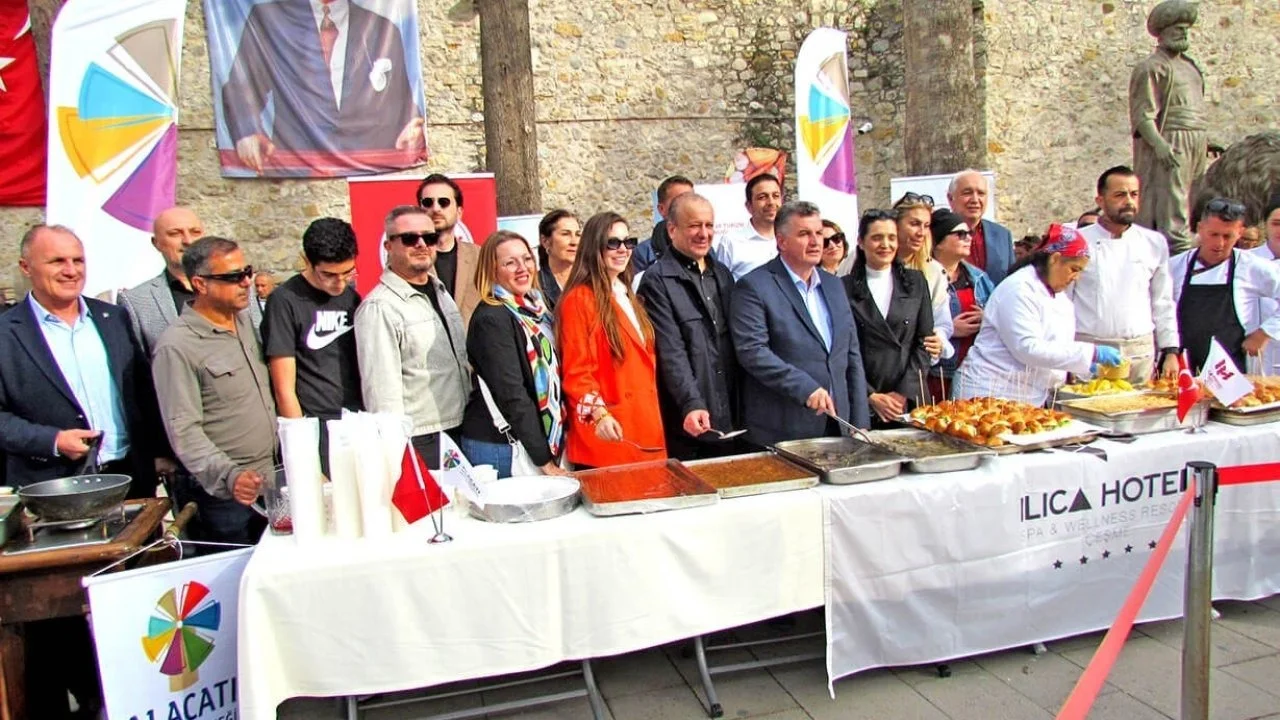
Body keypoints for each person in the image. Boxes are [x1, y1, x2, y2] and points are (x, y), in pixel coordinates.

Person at [0, 225, 164, 495]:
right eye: (57, 261)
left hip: (130, 476)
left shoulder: (114, 318)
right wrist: (53, 440)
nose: (71, 270)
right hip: (53, 485)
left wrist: (159, 451)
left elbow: (142, 391)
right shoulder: (7, 333)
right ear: (26, 267)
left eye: (78, 260)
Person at [152, 237, 275, 545]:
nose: (246, 282)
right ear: (200, 284)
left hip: (271, 480)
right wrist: (229, 476)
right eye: (233, 276)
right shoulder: (177, 346)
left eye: (247, 271)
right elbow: (184, 431)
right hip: (224, 498)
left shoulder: (244, 322)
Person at [220, 0, 426, 175]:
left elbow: (401, 101)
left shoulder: (383, 29)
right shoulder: (268, 19)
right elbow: (241, 87)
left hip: (367, 170)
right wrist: (247, 131)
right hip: (295, 173)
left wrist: (410, 127)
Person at [731, 201, 871, 445]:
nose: (816, 242)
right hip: (784, 428)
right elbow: (752, 352)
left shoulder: (834, 285)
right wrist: (805, 387)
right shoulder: (754, 286)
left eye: (818, 233)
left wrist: (860, 420)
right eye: (804, 234)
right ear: (782, 241)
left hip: (839, 424)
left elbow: (851, 354)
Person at [955, 224, 1119, 405]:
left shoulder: (1059, 296)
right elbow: (1027, 348)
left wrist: (1081, 366)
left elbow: (1057, 345)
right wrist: (1091, 353)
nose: (1076, 277)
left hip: (1027, 393)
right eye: (1074, 269)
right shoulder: (1019, 289)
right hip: (991, 390)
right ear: (1055, 259)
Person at [356, 205, 469, 467]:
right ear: (388, 246)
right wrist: (399, 455)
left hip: (460, 428)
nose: (421, 244)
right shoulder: (379, 307)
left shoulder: (440, 291)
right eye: (409, 238)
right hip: (420, 439)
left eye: (429, 237)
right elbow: (382, 395)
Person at [557, 212, 665, 468]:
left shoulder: (626, 293)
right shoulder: (579, 299)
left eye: (629, 242)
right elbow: (577, 372)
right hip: (609, 432)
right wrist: (599, 414)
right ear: (594, 247)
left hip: (645, 425)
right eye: (613, 243)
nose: (623, 249)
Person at [637, 194, 740, 460]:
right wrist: (691, 402)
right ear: (672, 229)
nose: (703, 234)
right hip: (690, 422)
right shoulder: (657, 280)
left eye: (709, 225)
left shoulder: (722, 275)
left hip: (731, 413)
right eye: (694, 226)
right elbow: (671, 351)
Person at [459, 232, 568, 477]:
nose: (522, 268)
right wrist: (544, 460)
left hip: (529, 440)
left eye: (526, 259)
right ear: (492, 270)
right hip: (502, 447)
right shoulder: (492, 318)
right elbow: (512, 393)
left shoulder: (536, 310)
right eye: (510, 263)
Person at [261, 218, 363, 472]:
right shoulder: (284, 301)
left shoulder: (352, 297)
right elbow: (283, 388)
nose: (339, 282)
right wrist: (303, 453)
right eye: (328, 274)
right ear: (306, 261)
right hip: (316, 425)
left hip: (355, 420)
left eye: (347, 272)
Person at [1071, 166, 1181, 382]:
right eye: (1120, 195)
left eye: (1134, 194)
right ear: (1101, 200)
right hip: (1091, 351)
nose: (1129, 201)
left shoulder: (1153, 242)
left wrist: (1170, 350)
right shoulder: (1078, 241)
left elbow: (1163, 301)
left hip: (1139, 352)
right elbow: (1062, 301)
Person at [119, 207, 264, 358]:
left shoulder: (241, 285)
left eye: (195, 232)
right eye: (175, 233)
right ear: (156, 243)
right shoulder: (136, 301)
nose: (188, 241)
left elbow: (260, 341)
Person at [1130, 0, 1209, 254]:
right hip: (1172, 138)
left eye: (1186, 29)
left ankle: (1188, 241)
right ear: (1163, 33)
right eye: (1177, 29)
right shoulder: (1151, 67)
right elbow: (1143, 114)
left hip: (1196, 138)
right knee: (1172, 199)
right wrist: (1159, 144)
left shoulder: (1190, 67)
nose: (1183, 33)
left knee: (1192, 194)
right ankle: (1176, 248)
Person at [843, 210, 934, 425]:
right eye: (877, 238)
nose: (885, 245)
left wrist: (903, 393)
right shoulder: (843, 288)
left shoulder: (916, 282)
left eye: (891, 237)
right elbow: (842, 349)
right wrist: (870, 395)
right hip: (865, 399)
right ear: (861, 242)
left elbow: (925, 342)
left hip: (909, 399)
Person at [1169, 198, 1280, 374]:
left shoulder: (1251, 266)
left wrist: (1264, 333)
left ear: (1240, 233)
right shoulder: (1174, 267)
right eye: (1213, 234)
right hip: (1182, 367)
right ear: (1200, 228)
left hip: (1231, 371)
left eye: (1228, 236)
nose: (1219, 243)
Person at [929, 209, 995, 402]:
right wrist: (949, 330)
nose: (968, 238)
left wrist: (986, 317)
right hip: (936, 372)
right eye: (960, 234)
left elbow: (1000, 315)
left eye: (969, 233)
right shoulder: (924, 277)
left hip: (974, 372)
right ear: (938, 242)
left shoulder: (979, 278)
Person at [892, 193, 951, 363]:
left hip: (914, 364)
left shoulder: (934, 271)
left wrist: (938, 339)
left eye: (926, 226)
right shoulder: (862, 261)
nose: (921, 233)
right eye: (914, 224)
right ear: (895, 225)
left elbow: (942, 321)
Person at [416, 174, 481, 324]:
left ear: (459, 212)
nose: (436, 208)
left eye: (443, 202)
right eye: (428, 202)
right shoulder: (408, 259)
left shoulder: (479, 256)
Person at [946, 170, 1014, 284]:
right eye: (967, 193)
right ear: (950, 198)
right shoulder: (936, 234)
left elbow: (1011, 281)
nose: (975, 200)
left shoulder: (1003, 235)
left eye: (981, 193)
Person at [716, 173, 784, 280]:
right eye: (762, 197)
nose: (771, 202)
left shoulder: (791, 239)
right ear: (749, 206)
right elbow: (720, 284)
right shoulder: (731, 242)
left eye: (775, 196)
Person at [632, 175, 694, 273]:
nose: (687, 207)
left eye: (692, 200)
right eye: (679, 201)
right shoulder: (644, 253)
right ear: (661, 209)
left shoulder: (704, 249)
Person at [1249, 195, 1280, 373]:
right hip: (1252, 354)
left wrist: (1267, 331)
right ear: (1265, 225)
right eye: (1276, 224)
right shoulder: (1248, 260)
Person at [536, 209, 580, 310]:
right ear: (545, 241)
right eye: (565, 234)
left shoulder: (591, 281)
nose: (574, 242)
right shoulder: (534, 286)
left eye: (578, 234)